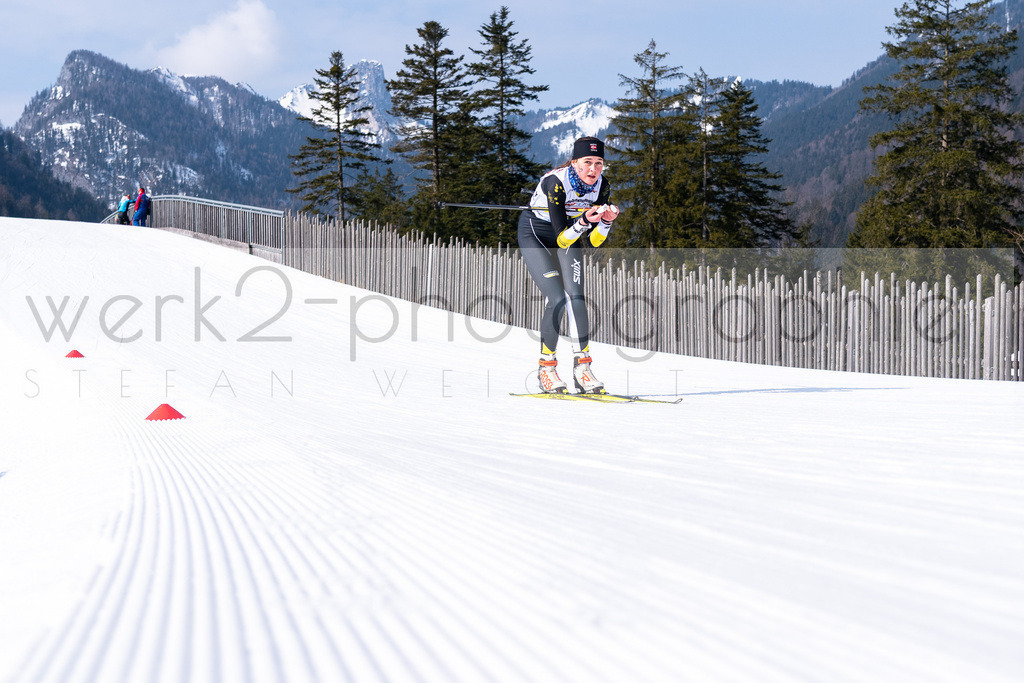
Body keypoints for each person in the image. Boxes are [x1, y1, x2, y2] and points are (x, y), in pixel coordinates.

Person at [518, 136, 619, 394]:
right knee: (556, 298)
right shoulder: (556, 183)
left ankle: (582, 369)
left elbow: (595, 241)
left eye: (599, 163)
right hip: (536, 234)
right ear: (575, 163)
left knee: (576, 297)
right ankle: (546, 370)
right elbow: (562, 236)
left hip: (570, 232)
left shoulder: (602, 186)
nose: (593, 169)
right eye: (587, 162)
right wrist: (584, 222)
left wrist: (605, 222)